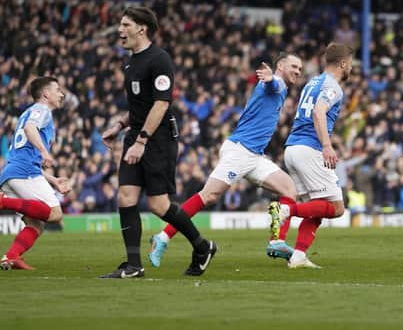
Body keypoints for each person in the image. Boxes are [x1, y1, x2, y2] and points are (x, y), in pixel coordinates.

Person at [147, 53, 303, 267]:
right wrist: (271, 78)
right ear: (281, 66)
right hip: (239, 152)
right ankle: (162, 237)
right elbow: (273, 85)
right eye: (294, 66)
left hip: (254, 156)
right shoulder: (276, 86)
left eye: (300, 69)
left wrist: (273, 79)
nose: (298, 71)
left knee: (289, 190)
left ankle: (277, 241)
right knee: (208, 195)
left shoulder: (279, 88)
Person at [99, 6, 216, 278]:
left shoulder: (160, 60)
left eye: (125, 25)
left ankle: (202, 246)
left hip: (158, 139)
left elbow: (161, 104)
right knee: (126, 196)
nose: (120, 30)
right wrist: (118, 126)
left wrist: (141, 141)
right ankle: (133, 265)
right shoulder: (129, 62)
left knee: (158, 205)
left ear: (142, 28)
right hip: (135, 134)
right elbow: (140, 106)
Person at [269, 42, 354, 268]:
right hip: (310, 149)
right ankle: (286, 210)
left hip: (293, 148)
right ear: (344, 63)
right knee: (336, 208)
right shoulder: (333, 86)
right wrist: (327, 146)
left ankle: (298, 256)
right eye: (351, 64)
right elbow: (319, 111)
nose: (351, 69)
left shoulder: (312, 82)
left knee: (317, 207)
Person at [0, 76, 71, 270]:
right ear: (46, 94)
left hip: (14, 172)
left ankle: (11, 256)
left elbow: (26, 151)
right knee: (55, 214)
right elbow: (30, 129)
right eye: (58, 90)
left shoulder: (27, 112)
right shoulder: (41, 110)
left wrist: (53, 180)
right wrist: (45, 151)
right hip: (24, 172)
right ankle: (2, 202)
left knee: (36, 225)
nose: (62, 94)